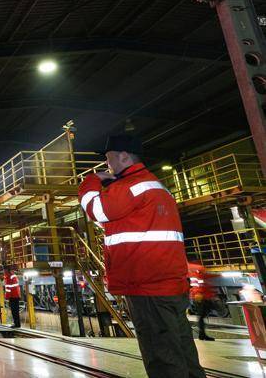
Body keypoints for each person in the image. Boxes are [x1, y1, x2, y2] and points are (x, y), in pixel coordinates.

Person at [79, 134, 205, 378]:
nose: (107, 164)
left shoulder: (130, 186)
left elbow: (96, 209)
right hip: (169, 283)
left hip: (147, 286)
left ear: (124, 156)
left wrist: (91, 181)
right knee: (182, 351)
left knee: (162, 358)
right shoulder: (156, 186)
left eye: (109, 158)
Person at [188, 262, 216, 341]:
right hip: (199, 298)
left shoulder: (198, 274)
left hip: (202, 297)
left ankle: (202, 334)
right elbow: (197, 285)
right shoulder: (195, 274)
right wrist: (198, 294)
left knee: (202, 316)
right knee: (201, 316)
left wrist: (218, 275)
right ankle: (202, 334)